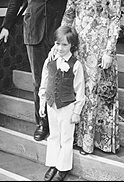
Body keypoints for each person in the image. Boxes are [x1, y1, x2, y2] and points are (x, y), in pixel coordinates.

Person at [0, 0, 77, 142]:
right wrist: (6, 26)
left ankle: (61, 122)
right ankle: (42, 123)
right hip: (33, 32)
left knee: (62, 79)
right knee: (39, 81)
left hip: (60, 35)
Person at [58, 0, 121, 154]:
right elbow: (68, 15)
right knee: (79, 91)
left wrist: (109, 51)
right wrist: (60, 43)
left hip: (100, 50)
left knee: (97, 94)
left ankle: (93, 142)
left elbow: (115, 18)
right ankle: (76, 139)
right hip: (78, 47)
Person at [38, 26, 85, 181]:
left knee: (66, 138)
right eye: (58, 44)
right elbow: (44, 83)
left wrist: (76, 111)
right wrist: (42, 103)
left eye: (65, 45)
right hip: (51, 105)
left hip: (67, 106)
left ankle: (62, 168)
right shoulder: (50, 61)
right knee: (54, 135)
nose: (60, 48)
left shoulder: (75, 65)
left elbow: (80, 90)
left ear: (72, 45)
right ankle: (53, 163)